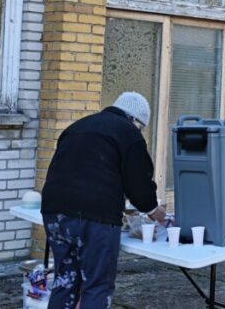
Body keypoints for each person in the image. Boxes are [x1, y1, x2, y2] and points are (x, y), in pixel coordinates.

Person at [41, 92, 166, 309]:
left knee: (65, 280)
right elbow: (138, 183)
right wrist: (154, 210)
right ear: (134, 120)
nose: (139, 132)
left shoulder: (77, 126)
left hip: (54, 211)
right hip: (95, 217)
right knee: (97, 285)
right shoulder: (129, 133)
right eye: (141, 127)